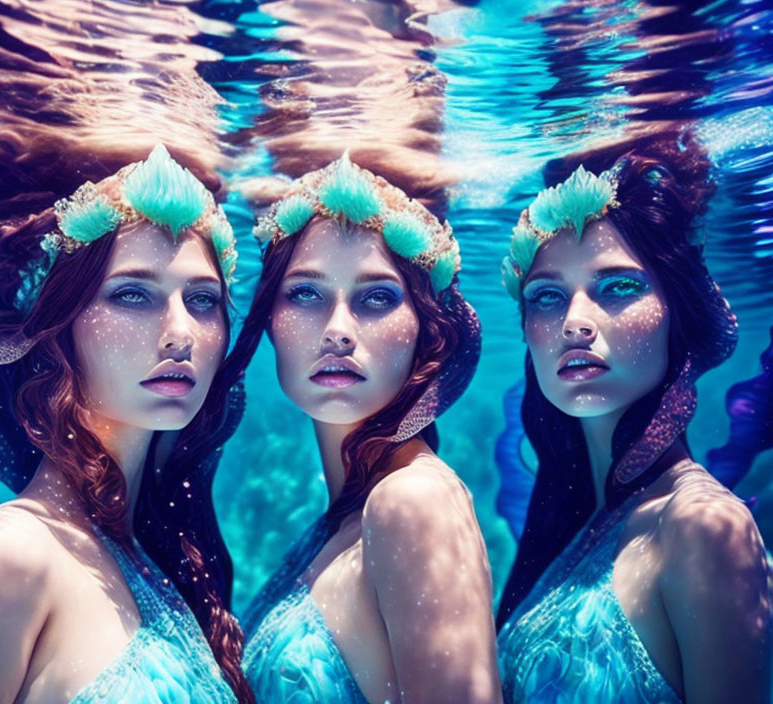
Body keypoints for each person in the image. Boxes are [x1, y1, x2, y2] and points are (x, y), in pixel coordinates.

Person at [0, 145, 254, 703]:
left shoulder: (154, 549)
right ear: (58, 330)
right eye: (132, 294)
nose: (181, 332)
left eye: (202, 299)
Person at [495, 134, 773, 703]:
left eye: (619, 286)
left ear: (677, 313)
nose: (576, 321)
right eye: (547, 296)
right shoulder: (590, 509)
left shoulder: (703, 526)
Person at [225, 154, 501, 703]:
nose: (338, 332)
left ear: (427, 330)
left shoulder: (412, 500)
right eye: (305, 293)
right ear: (270, 322)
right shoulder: (357, 506)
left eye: (377, 297)